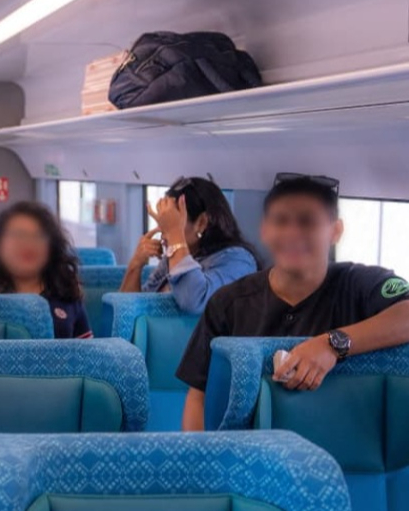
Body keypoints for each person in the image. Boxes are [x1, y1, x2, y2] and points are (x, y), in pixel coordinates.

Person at [178, 174, 409, 430]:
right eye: (281, 221)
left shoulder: (359, 286)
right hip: (252, 456)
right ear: (265, 230)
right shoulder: (228, 303)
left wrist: (332, 344)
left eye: (307, 222)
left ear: (335, 231)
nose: (292, 233)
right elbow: (199, 396)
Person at [121, 176, 260, 314]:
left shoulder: (238, 260)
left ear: (201, 223)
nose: (164, 233)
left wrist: (175, 236)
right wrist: (135, 265)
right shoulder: (173, 258)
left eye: (172, 222)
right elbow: (127, 311)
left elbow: (194, 301)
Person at [0, 201, 91, 338]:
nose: (28, 245)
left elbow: (87, 353)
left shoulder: (65, 290)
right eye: (18, 236)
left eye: (38, 236)